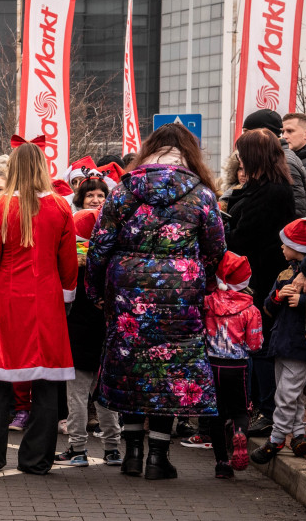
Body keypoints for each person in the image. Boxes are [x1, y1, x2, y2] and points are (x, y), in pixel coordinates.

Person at [86, 123, 226, 480]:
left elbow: (99, 246)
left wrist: (95, 290)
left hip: (127, 292)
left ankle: (133, 454)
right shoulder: (201, 194)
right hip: (180, 295)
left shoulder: (123, 191)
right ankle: (158, 458)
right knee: (170, 370)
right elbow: (216, 248)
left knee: (132, 367)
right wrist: (202, 280)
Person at [0, 140, 77, 475]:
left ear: (12, 168)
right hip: (47, 301)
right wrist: (67, 298)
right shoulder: (60, 208)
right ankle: (36, 459)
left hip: (7, 300)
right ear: (43, 167)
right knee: (45, 381)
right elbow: (68, 264)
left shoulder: (0, 208)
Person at [226, 128, 297, 439]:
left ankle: (267, 411)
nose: (239, 160)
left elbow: (246, 236)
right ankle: (259, 406)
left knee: (261, 345)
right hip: (253, 275)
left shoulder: (273, 191)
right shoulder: (258, 188)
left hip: (262, 277)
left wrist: (224, 229)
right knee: (255, 345)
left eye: (243, 154)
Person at [54, 209, 122, 468]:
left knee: (77, 396)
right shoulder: (111, 266)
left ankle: (77, 448)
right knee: (105, 397)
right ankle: (113, 449)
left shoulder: (71, 268)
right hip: (107, 338)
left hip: (77, 339)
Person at [250, 218, 306, 465]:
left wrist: (303, 302)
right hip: (281, 342)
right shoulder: (285, 273)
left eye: (286, 244)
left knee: (286, 394)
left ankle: (276, 438)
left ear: (299, 248)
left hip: (300, 346)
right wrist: (277, 296)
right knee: (293, 394)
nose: (282, 248)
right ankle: (298, 434)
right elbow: (267, 307)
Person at [201, 251, 263, 478]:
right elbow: (255, 345)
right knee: (240, 410)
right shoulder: (251, 310)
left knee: (215, 414)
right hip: (237, 366)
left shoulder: (207, 303)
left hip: (211, 365)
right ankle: (239, 433)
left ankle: (222, 464)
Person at [241, 109, 306, 216]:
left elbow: (295, 208)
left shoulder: (285, 161)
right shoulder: (273, 157)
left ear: (263, 134)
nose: (243, 137)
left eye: (246, 132)